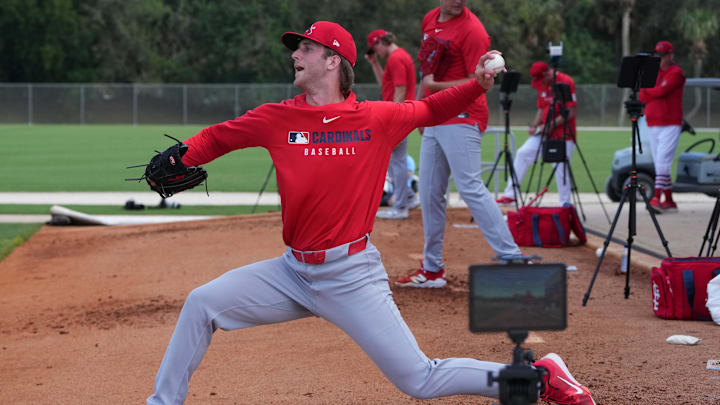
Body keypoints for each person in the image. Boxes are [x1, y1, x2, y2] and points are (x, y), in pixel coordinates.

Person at [144, 20, 594, 405]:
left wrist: (476, 84)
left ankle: (539, 378)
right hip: (293, 272)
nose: (295, 55)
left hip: (351, 275)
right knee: (202, 304)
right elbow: (221, 137)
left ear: (333, 61)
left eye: (306, 47)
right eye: (296, 48)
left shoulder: (376, 118)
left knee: (419, 378)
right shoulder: (276, 117)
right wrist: (183, 155)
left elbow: (431, 108)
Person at [395, 0, 522, 289]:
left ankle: (511, 256)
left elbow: (476, 82)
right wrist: (419, 105)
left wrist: (431, 87)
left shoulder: (473, 30)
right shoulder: (429, 19)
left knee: (469, 186)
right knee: (428, 193)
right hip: (435, 115)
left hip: (464, 115)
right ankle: (432, 270)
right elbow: (425, 70)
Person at [496, 61, 578, 206]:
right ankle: (511, 194)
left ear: (547, 73)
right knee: (523, 153)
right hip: (544, 132)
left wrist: (549, 126)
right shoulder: (542, 84)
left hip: (563, 134)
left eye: (540, 79)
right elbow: (541, 108)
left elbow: (571, 112)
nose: (539, 83)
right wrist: (535, 127)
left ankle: (565, 203)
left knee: (560, 166)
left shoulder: (566, 81)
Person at [365, 28, 421, 219]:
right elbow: (387, 85)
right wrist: (374, 64)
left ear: (380, 42)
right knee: (395, 160)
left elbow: (400, 90)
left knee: (395, 161)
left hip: (401, 115)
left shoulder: (396, 59)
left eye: (375, 48)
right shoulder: (399, 56)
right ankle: (410, 197)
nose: (376, 53)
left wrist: (394, 119)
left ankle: (400, 207)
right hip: (405, 113)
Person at [639, 40, 685, 214]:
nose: (660, 59)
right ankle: (670, 201)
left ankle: (657, 197)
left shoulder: (676, 72)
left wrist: (651, 91)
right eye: (658, 55)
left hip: (670, 122)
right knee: (659, 162)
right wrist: (652, 91)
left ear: (670, 55)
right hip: (652, 121)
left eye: (663, 55)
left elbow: (661, 91)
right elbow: (642, 95)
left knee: (663, 161)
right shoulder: (652, 72)